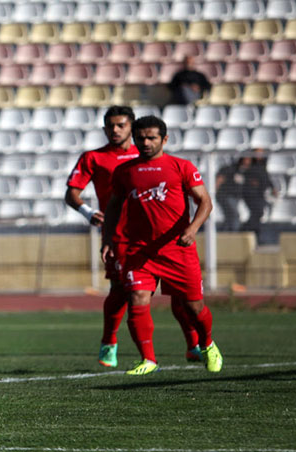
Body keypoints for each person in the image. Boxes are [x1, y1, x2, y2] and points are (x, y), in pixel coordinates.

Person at [65, 106, 200, 369]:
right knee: (121, 291)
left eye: (121, 125)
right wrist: (89, 212)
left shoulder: (149, 156)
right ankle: (110, 342)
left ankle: (193, 344)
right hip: (123, 237)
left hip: (161, 236)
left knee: (181, 297)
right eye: (110, 126)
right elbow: (71, 194)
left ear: (132, 127)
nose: (115, 130)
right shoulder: (93, 157)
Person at [102, 116, 223, 376]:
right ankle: (148, 359)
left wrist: (192, 229)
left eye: (151, 138)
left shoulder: (182, 167)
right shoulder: (125, 172)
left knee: (194, 307)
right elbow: (113, 206)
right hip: (139, 250)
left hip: (177, 249)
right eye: (140, 138)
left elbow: (205, 202)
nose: (145, 143)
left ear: (164, 139)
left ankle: (208, 344)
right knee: (137, 298)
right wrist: (109, 239)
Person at [215, 150, 277, 234]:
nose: (247, 161)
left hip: (236, 197)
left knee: (231, 218)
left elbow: (262, 180)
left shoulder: (250, 171)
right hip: (226, 195)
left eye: (249, 159)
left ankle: (228, 235)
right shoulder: (232, 168)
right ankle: (233, 236)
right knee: (234, 217)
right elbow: (220, 178)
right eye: (245, 159)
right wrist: (214, 189)